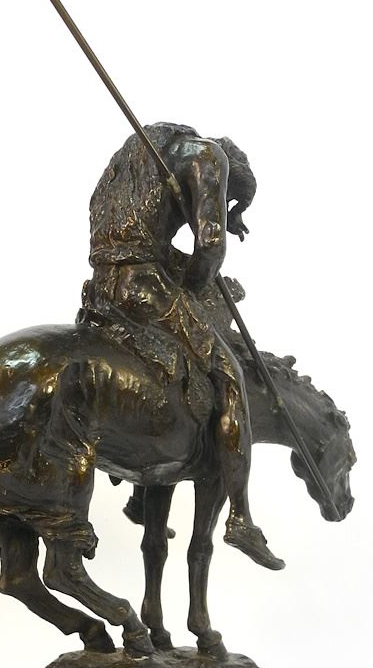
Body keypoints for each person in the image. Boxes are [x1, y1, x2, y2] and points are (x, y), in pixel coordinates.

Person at [77, 122, 284, 570]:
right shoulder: (209, 157)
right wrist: (194, 286)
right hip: (143, 287)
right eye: (228, 202)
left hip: (102, 289)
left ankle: (140, 495)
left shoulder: (136, 156)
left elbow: (129, 240)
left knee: (159, 369)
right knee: (230, 376)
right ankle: (240, 518)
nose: (222, 205)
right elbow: (211, 248)